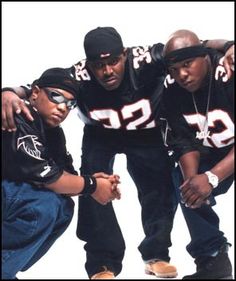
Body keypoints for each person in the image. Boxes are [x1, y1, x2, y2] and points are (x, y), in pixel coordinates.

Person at [1, 27, 234, 279]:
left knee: (159, 189)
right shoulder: (80, 73)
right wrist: (10, 91)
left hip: (146, 134)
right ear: (89, 64)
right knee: (92, 186)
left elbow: (191, 48)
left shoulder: (147, 59)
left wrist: (229, 44)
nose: (107, 71)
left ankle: (156, 254)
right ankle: (103, 264)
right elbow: (45, 86)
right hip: (100, 133)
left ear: (125, 55)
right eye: (99, 65)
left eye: (113, 61)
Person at [2, 67, 121, 279]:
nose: (62, 108)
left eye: (70, 104)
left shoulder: (53, 133)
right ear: (36, 93)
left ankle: (7, 268)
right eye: (56, 97)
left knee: (63, 206)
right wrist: (93, 185)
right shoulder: (18, 115)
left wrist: (96, 181)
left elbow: (67, 178)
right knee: (41, 205)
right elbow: (51, 178)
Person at [161, 29, 234, 279]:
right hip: (215, 151)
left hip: (226, 156)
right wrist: (193, 186)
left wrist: (213, 177)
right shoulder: (171, 90)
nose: (181, 74)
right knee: (179, 177)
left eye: (187, 64)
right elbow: (183, 141)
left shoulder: (229, 73)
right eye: (174, 69)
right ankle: (213, 258)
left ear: (204, 57)